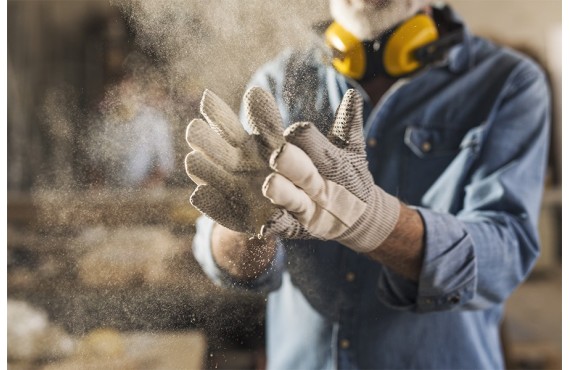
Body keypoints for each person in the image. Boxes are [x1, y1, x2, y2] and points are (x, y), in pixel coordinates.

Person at [186, 1, 551, 368]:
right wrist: (244, 227)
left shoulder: (507, 82)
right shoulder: (280, 81)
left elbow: (505, 259)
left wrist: (374, 222)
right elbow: (229, 264)